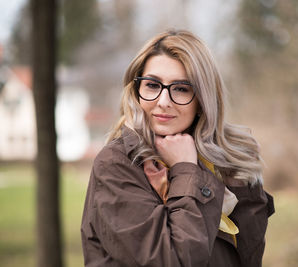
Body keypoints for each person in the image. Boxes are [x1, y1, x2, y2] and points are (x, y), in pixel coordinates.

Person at [81, 29, 274, 267]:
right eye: (152, 85)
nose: (163, 102)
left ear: (203, 100)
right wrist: (185, 170)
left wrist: (240, 179)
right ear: (136, 90)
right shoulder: (117, 163)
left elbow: (248, 257)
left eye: (181, 88)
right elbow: (173, 261)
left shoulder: (226, 164)